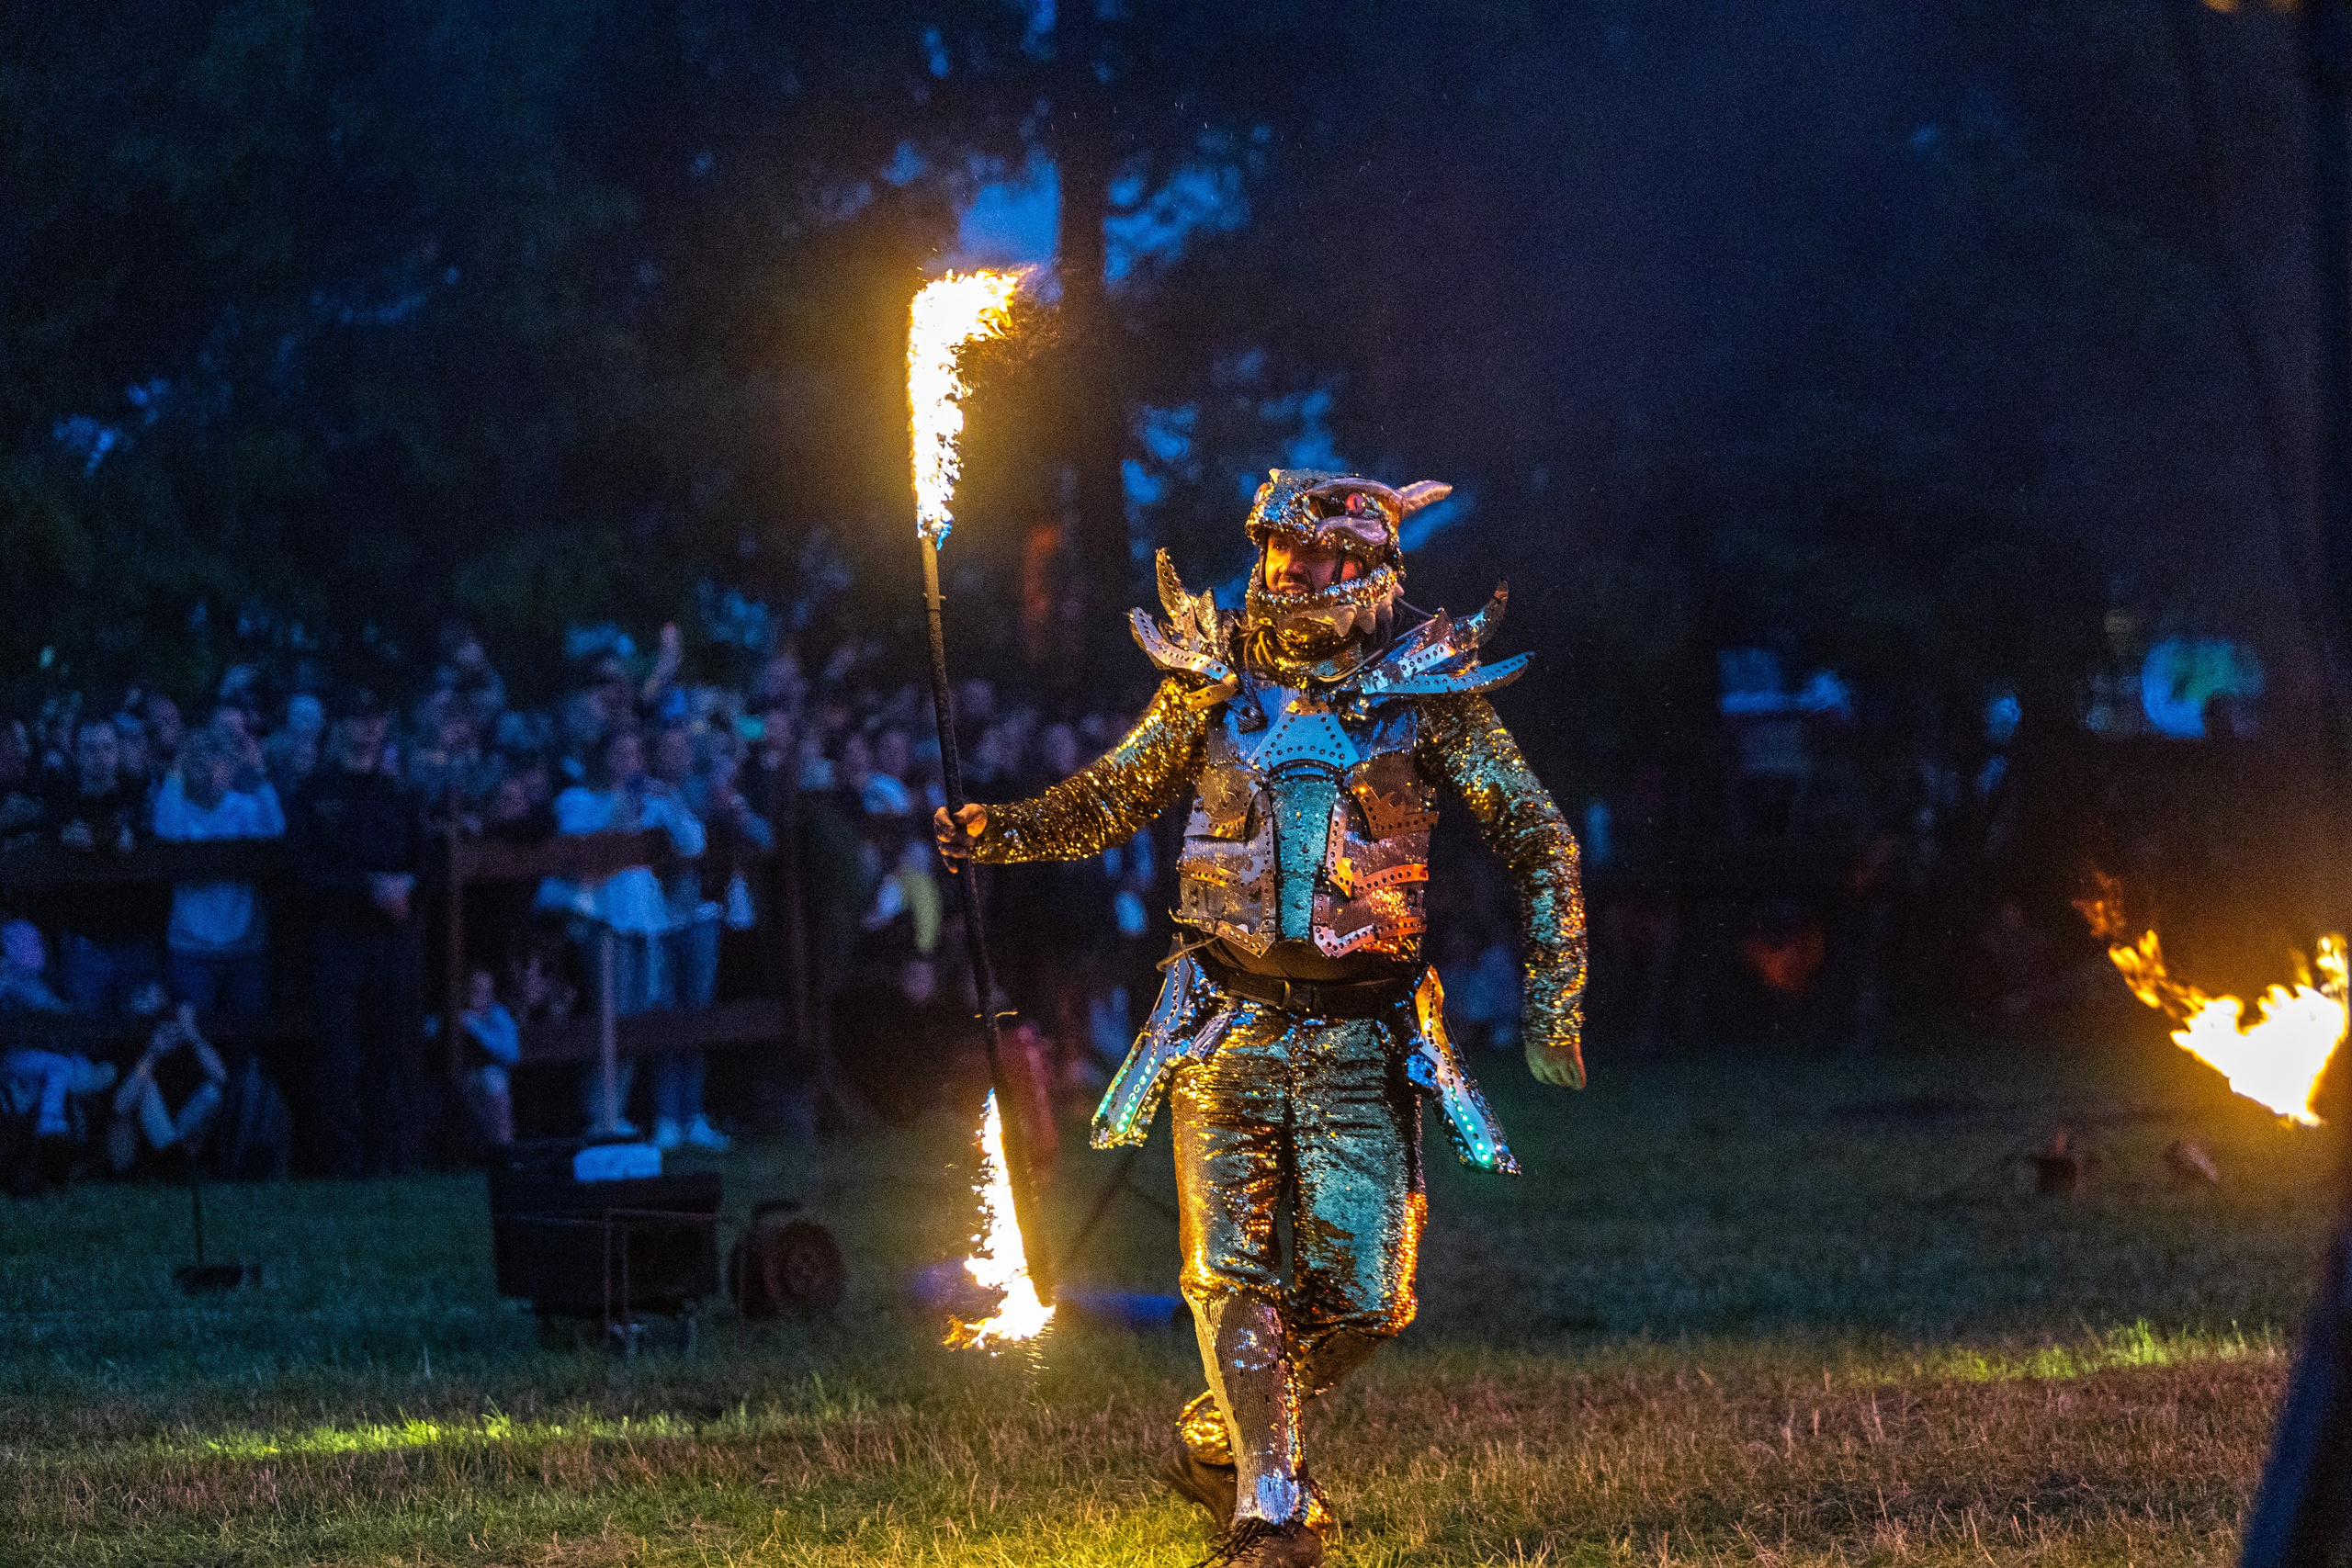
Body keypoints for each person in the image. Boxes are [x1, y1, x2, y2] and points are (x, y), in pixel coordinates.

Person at [937, 470, 1585, 1568]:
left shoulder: (1426, 692)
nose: (1291, 572)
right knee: (1226, 1272)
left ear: (1370, 565)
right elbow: (1112, 795)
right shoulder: (1211, 684)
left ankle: (1223, 1434)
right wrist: (995, 831)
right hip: (1222, 1021)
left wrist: (1555, 996)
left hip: (1366, 1035)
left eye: (1316, 555)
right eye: (1278, 551)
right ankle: (1270, 1516)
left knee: (1370, 1300)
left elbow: (1540, 840)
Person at [540, 727, 708, 1141]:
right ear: (605, 759)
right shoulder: (579, 800)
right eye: (620, 754)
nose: (629, 764)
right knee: (610, 1020)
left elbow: (692, 844)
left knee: (636, 1021)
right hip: (604, 922)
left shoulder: (653, 801)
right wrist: (622, 805)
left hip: (646, 922)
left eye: (636, 754)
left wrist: (672, 800)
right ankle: (601, 1116)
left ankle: (616, 1113)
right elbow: (590, 847)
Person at [288, 692, 423, 1177]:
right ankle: (343, 1162)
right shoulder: (313, 794)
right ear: (340, 725)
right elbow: (302, 872)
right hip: (336, 940)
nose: (368, 726)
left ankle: (390, 1159)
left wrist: (406, 886)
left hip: (391, 940)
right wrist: (366, 889)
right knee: (339, 1054)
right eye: (357, 716)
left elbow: (424, 860)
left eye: (375, 716)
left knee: (392, 1047)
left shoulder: (398, 796)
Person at [152, 720, 285, 1023]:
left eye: (219, 765)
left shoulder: (247, 808)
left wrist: (260, 773)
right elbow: (165, 833)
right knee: (195, 1034)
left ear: (230, 768)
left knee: (248, 1031)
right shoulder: (176, 808)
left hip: (244, 943)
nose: (211, 774)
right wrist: (175, 771)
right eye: (201, 765)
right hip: (191, 946)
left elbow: (277, 832)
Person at [41, 716, 168, 1015]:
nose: (100, 756)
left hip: (136, 936)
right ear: (75, 752)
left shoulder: (140, 796)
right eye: (90, 748)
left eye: (107, 747)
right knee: (90, 1039)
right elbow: (51, 850)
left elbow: (151, 846)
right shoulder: (61, 800)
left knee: (138, 1033)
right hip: (84, 938)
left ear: (117, 750)